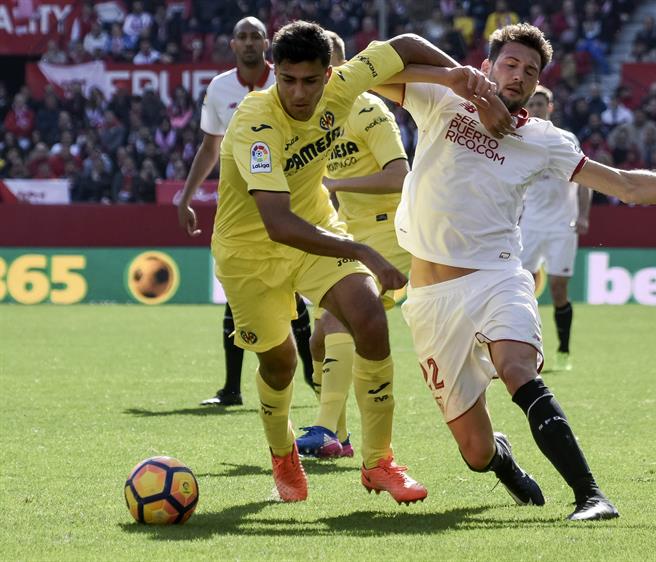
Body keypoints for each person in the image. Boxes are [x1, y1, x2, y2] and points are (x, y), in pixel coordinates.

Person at [375, 23, 656, 520]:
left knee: (517, 370)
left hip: (496, 278)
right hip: (430, 300)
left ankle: (591, 495)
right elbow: (376, 68)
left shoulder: (544, 140)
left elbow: (627, 185)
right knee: (475, 453)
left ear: (539, 84)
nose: (518, 77)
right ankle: (502, 460)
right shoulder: (443, 98)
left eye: (530, 71)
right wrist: (452, 77)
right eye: (510, 64)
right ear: (489, 64)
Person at [212, 20, 497, 503]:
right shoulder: (253, 123)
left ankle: (378, 462)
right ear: (273, 72)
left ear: (330, 74)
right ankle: (283, 454)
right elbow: (277, 222)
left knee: (368, 319)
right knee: (279, 365)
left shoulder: (345, 88)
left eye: (309, 80)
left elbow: (404, 45)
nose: (298, 93)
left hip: (316, 230)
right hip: (250, 252)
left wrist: (459, 81)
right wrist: (363, 250)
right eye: (287, 79)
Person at [176, 17, 315, 408]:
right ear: (232, 44)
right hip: (241, 203)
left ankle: (311, 375)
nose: (250, 42)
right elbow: (210, 146)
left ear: (267, 43)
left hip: (286, 197)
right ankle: (232, 389)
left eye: (256, 36)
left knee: (292, 291)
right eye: (243, 36)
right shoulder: (220, 88)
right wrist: (186, 195)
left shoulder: (287, 80)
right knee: (239, 295)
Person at [294, 31, 411, 459]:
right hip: (345, 231)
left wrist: (337, 182)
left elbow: (401, 174)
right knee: (318, 342)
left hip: (389, 231)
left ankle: (325, 428)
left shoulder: (367, 109)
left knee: (339, 320)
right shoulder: (306, 120)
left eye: (335, 70)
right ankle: (340, 439)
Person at [519, 85, 592, 372]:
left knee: (559, 289)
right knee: (520, 287)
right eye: (532, 103)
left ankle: (563, 349)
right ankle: (528, 348)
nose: (536, 108)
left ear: (550, 108)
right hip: (530, 225)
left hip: (563, 225)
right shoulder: (520, 138)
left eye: (541, 104)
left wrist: (583, 216)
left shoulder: (567, 139)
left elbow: (585, 179)